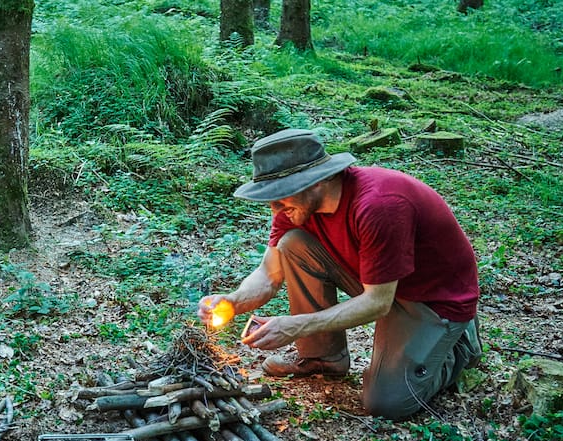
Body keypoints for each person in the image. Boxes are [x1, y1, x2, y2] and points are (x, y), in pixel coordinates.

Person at [198, 128, 481, 420]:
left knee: (386, 403)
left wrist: (295, 326)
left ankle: (460, 346)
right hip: (380, 282)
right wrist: (232, 302)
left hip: (433, 300)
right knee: (292, 245)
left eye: (280, 196)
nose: (274, 208)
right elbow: (269, 274)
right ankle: (323, 358)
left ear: (318, 181)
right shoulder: (293, 209)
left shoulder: (379, 205)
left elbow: (377, 303)